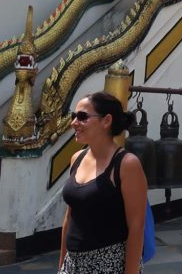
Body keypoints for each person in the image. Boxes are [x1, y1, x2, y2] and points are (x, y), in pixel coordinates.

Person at [59, 92, 147, 274]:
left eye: (82, 117)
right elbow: (70, 216)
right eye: (73, 116)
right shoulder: (77, 158)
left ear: (106, 121)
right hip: (73, 265)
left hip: (109, 264)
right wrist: (62, 264)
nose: (74, 122)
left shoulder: (126, 164)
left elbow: (137, 227)